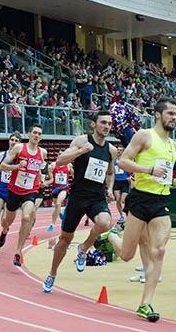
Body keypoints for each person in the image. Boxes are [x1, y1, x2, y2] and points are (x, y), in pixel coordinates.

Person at [105, 97, 176, 322]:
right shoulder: (144, 135)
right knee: (126, 255)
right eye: (170, 113)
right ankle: (111, 237)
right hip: (140, 200)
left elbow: (165, 176)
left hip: (161, 202)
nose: (174, 117)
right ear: (158, 115)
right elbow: (123, 161)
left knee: (158, 251)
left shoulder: (173, 145)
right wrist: (149, 169)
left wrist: (175, 182)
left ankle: (145, 304)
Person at [42, 110, 117, 293]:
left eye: (109, 124)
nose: (107, 126)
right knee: (65, 239)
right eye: (103, 123)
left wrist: (109, 188)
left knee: (105, 222)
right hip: (77, 197)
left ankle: (84, 248)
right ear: (94, 124)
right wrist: (81, 151)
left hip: (96, 197)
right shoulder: (81, 141)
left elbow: (109, 172)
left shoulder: (111, 150)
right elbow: (60, 161)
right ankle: (52, 273)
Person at [0, 124, 48, 266]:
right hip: (14, 190)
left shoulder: (42, 152)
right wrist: (17, 166)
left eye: (39, 133)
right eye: (34, 132)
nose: (36, 135)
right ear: (29, 134)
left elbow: (40, 169)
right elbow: (3, 166)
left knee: (27, 217)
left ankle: (18, 252)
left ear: (41, 137)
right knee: (7, 221)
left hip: (30, 191)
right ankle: (5, 231)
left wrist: (42, 178)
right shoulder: (19, 148)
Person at [0, 131, 21, 256]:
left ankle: (5, 231)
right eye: (12, 139)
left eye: (16, 140)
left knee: (4, 221)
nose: (13, 142)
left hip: (13, 190)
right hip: (0, 188)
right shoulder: (0, 155)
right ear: (9, 141)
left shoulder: (20, 158)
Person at [48, 152, 74, 248]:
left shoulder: (69, 165)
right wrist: (47, 181)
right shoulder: (53, 165)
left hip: (64, 188)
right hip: (55, 188)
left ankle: (52, 224)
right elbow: (51, 178)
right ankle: (59, 214)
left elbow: (74, 175)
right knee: (56, 206)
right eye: (60, 154)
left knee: (59, 203)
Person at [113, 146, 130, 226]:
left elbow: (130, 170)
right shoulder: (113, 161)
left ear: (123, 152)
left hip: (124, 182)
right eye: (118, 150)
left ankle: (128, 213)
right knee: (118, 200)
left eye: (120, 150)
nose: (119, 151)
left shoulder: (124, 161)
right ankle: (121, 215)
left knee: (123, 200)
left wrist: (129, 177)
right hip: (116, 182)